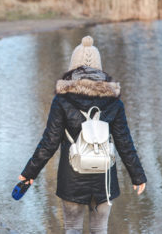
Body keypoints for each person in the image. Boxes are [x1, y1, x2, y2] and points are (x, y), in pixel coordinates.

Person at [18, 35, 147, 234]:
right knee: (99, 230)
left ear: (73, 68)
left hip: (72, 177)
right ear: (99, 68)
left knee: (72, 229)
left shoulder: (62, 100)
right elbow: (124, 143)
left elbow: (49, 142)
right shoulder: (114, 102)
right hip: (104, 177)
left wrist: (29, 173)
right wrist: (138, 176)